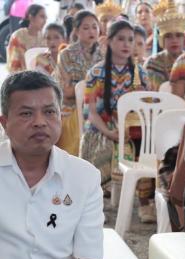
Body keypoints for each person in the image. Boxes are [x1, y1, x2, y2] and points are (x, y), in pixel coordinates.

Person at [0, 70, 116, 259]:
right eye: (26, 113)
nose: (40, 122)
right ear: (4, 122)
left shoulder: (83, 176)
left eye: (49, 112)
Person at [81, 20, 147, 191]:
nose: (127, 44)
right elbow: (91, 113)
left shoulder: (140, 73)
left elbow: (146, 110)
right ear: (109, 42)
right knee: (107, 148)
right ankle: (105, 189)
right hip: (101, 131)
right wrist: (110, 133)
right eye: (121, 39)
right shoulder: (96, 73)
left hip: (132, 131)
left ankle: (137, 193)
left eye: (130, 39)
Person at [54, 10, 103, 157]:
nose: (91, 31)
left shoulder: (104, 54)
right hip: (71, 108)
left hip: (98, 106)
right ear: (76, 31)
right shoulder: (66, 55)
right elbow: (65, 91)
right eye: (86, 28)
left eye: (94, 27)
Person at [144, 0, 185, 91]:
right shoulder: (152, 63)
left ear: (184, 39)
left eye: (178, 35)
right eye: (168, 36)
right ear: (161, 40)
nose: (174, 40)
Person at [6, 4, 46, 72]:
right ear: (31, 17)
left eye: (45, 18)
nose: (45, 21)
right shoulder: (18, 36)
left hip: (40, 76)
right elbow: (13, 66)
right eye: (42, 16)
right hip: (21, 76)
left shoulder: (44, 37)